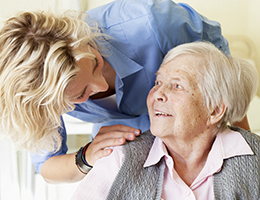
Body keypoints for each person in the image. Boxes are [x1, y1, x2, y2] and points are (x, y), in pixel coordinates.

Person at [0, 0, 249, 183]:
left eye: (96, 64)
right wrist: (86, 157)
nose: (100, 88)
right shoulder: (40, 100)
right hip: (123, 143)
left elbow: (225, 80)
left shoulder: (152, 24)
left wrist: (246, 151)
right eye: (81, 95)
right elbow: (47, 166)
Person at [71, 41, 259, 200]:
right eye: (158, 82)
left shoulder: (254, 160)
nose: (157, 94)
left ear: (215, 110)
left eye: (177, 86)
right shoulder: (120, 159)